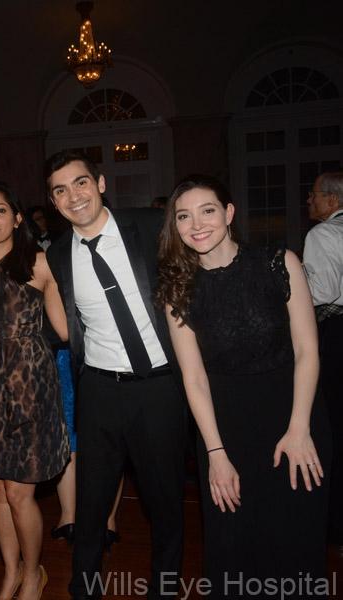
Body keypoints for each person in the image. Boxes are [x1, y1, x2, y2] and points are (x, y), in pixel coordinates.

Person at [156, 174, 331, 591]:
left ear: (229, 213)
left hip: (294, 416)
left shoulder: (278, 262)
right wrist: (215, 453)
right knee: (233, 549)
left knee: (296, 545)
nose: (197, 224)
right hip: (225, 431)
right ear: (175, 226)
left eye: (208, 211)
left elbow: (307, 351)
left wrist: (299, 428)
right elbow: (194, 377)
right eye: (184, 216)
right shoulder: (177, 288)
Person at [44, 150, 186, 600]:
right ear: (53, 201)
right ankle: (84, 589)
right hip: (99, 390)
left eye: (80, 183)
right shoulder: (57, 255)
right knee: (91, 501)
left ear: (100, 184)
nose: (73, 196)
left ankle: (165, 589)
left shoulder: (151, 226)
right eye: (61, 190)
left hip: (159, 387)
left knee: (165, 502)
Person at [0, 182, 69, 600]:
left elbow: (65, 330)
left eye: (0, 210)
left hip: (30, 385)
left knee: (20, 491)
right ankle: (11, 572)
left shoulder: (39, 263)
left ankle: (34, 573)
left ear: (17, 218)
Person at [302, 170, 343, 552]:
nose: (309, 201)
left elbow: (324, 290)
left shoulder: (322, 234)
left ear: (332, 200)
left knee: (331, 427)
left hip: (336, 334)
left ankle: (334, 525)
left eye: (314, 194)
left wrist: (293, 284)